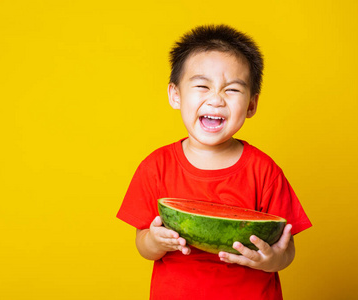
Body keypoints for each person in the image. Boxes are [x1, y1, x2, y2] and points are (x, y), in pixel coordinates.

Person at [116, 24, 312, 300]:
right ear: (175, 95)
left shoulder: (264, 170)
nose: (216, 99)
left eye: (232, 90)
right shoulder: (155, 166)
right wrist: (154, 241)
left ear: (252, 104)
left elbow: (286, 248)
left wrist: (271, 261)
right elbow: (143, 245)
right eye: (201, 86)